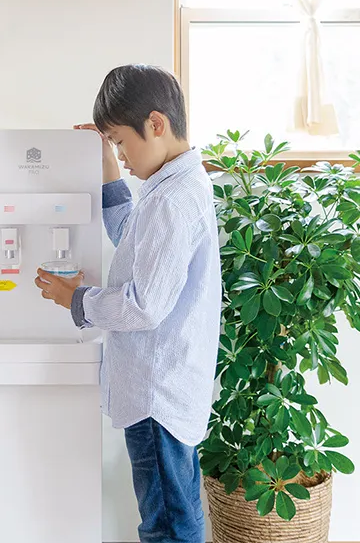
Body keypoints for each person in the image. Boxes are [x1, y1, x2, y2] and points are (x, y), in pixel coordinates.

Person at [35, 64, 221, 543]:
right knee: (176, 514)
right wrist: (106, 164)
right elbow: (131, 237)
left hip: (157, 395)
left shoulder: (172, 200)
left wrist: (75, 299)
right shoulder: (175, 188)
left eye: (121, 142)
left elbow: (143, 307)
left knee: (166, 525)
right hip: (168, 389)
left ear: (155, 125)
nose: (121, 154)